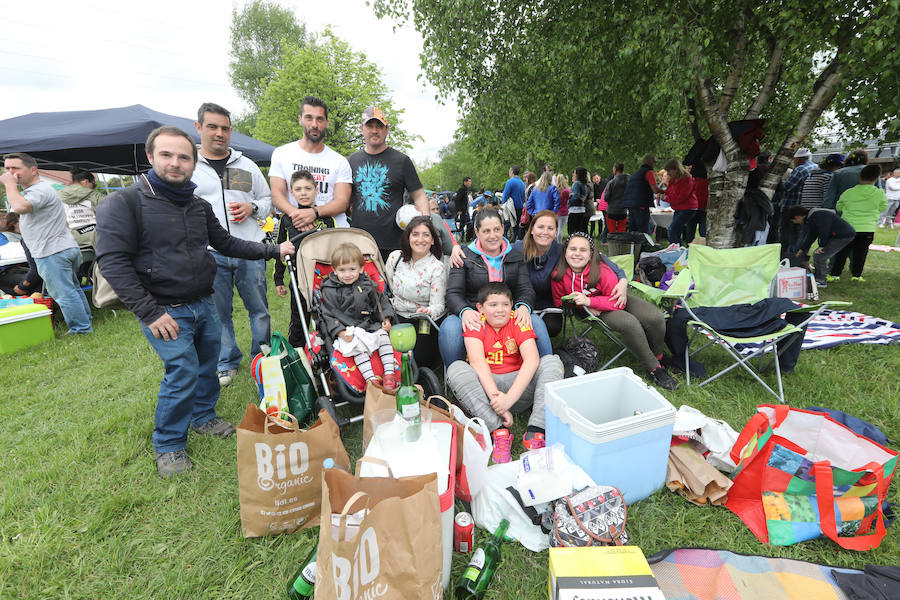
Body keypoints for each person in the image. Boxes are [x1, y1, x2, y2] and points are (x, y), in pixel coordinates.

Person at [95, 126, 294, 478]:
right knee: (183, 373)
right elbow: (113, 262)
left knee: (206, 368)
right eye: (167, 155)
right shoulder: (124, 202)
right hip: (165, 311)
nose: (176, 163)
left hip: (204, 304)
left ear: (193, 161)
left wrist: (273, 249)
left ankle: (203, 416)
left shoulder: (197, 205)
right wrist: (150, 313)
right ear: (150, 156)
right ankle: (169, 444)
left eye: (183, 157)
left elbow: (228, 243)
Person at [191, 102, 274, 388]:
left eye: (225, 128)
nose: (219, 133)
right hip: (211, 254)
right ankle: (227, 360)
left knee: (259, 309)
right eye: (212, 127)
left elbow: (268, 201)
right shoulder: (190, 167)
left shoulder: (245, 165)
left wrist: (252, 208)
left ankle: (261, 357)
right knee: (218, 313)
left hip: (249, 249)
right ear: (199, 127)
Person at [446, 282, 564, 463]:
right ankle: (498, 431)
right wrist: (498, 404)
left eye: (505, 304)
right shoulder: (475, 322)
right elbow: (477, 362)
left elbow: (532, 359)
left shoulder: (517, 320)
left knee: (550, 361)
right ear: (481, 308)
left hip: (519, 387)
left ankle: (536, 430)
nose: (500, 310)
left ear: (511, 305)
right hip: (487, 390)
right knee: (456, 369)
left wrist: (508, 400)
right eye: (493, 305)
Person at [551, 232, 677, 391]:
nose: (577, 253)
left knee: (655, 317)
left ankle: (659, 356)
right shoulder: (558, 275)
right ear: (565, 252)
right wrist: (583, 305)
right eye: (573, 249)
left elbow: (616, 301)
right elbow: (560, 301)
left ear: (591, 254)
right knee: (630, 324)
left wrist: (591, 301)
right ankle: (654, 368)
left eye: (583, 250)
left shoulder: (601, 269)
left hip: (613, 299)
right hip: (589, 311)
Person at [439, 208, 553, 364]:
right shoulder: (463, 257)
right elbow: (453, 293)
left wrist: (524, 306)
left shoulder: (515, 256)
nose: (492, 236)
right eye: (486, 231)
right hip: (475, 312)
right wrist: (464, 311)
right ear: (477, 232)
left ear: (503, 229)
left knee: (535, 322)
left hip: (506, 312)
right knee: (450, 328)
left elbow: (525, 289)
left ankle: (546, 374)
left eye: (496, 229)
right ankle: (457, 376)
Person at [349, 106, 461, 264]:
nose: (374, 131)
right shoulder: (351, 161)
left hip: (395, 244)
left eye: (379, 126)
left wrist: (425, 224)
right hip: (360, 243)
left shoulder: (401, 161)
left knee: (396, 288)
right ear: (362, 129)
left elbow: (420, 195)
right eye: (370, 126)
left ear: (387, 130)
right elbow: (344, 200)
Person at [1, 153, 93, 334]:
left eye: (16, 168)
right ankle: (84, 322)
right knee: (72, 289)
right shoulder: (37, 190)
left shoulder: (39, 190)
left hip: (52, 252)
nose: (11, 173)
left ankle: (81, 329)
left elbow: (20, 207)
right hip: (61, 248)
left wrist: (10, 185)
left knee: (64, 293)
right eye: (8, 168)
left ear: (33, 170)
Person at [319, 242, 398, 391]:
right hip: (348, 330)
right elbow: (328, 314)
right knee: (356, 347)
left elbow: (380, 302)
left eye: (352, 269)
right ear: (334, 270)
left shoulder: (367, 284)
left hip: (368, 325)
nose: (347, 274)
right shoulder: (330, 290)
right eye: (342, 270)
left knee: (383, 336)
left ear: (361, 269)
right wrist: (340, 332)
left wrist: (385, 319)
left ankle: (389, 374)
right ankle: (371, 380)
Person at [269, 95, 352, 233]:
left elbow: (342, 202)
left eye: (320, 119)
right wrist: (298, 215)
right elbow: (277, 194)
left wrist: (314, 213)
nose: (314, 124)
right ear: (300, 120)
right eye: (309, 118)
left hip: (333, 233)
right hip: (297, 230)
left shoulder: (340, 161)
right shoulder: (281, 153)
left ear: (327, 123)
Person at [274, 170, 335, 347]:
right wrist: (279, 279)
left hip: (323, 279)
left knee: (325, 319)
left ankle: (327, 354)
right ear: (291, 192)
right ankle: (298, 355)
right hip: (299, 278)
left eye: (308, 188)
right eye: (298, 189)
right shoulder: (286, 219)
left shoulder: (327, 219)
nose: (303, 193)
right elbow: (280, 252)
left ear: (316, 190)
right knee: (299, 319)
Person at [385, 215, 447, 367]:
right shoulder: (395, 258)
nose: (420, 239)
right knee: (390, 360)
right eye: (415, 234)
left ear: (432, 240)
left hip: (422, 321)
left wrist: (429, 311)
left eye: (426, 235)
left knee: (417, 364)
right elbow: (390, 287)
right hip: (396, 316)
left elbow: (438, 305)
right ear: (408, 237)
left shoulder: (437, 268)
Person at [512, 210, 565, 337]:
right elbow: (490, 248)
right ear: (531, 230)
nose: (545, 232)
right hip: (518, 302)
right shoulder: (516, 249)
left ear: (556, 231)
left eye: (550, 228)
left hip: (547, 304)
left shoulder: (562, 251)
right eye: (540, 227)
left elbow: (598, 258)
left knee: (552, 327)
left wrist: (621, 278)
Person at [830, 165, 887, 282]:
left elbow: (838, 206)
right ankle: (856, 276)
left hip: (847, 228)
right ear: (876, 179)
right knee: (861, 253)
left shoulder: (848, 192)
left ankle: (835, 275)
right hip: (868, 229)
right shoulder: (880, 193)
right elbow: (883, 208)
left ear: (859, 178)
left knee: (842, 253)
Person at [786, 205, 854, 288]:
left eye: (794, 220)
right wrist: (802, 249)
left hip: (842, 235)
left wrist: (822, 245)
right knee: (819, 255)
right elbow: (811, 235)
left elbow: (824, 230)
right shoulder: (811, 218)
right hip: (837, 235)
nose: (795, 222)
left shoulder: (818, 216)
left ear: (798, 216)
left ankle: (821, 281)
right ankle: (817, 277)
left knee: (820, 255)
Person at [58, 169, 103, 250]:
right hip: (98, 241)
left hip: (71, 243)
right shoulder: (96, 196)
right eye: (93, 184)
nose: (93, 187)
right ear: (85, 182)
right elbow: (107, 217)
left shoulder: (58, 196)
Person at [622, 154, 664, 234]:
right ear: (650, 162)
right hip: (641, 204)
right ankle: (643, 245)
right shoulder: (649, 172)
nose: (654, 165)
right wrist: (666, 191)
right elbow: (655, 189)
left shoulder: (636, 173)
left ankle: (633, 245)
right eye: (654, 162)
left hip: (631, 205)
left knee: (633, 229)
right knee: (643, 229)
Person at [662, 159, 697, 245]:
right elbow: (669, 192)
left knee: (672, 230)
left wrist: (667, 198)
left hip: (688, 208)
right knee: (676, 230)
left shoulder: (687, 179)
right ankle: (677, 249)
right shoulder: (673, 180)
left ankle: (675, 250)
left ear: (676, 169)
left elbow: (682, 196)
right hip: (679, 208)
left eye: (669, 171)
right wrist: (663, 194)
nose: (668, 173)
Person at [603, 163, 629, 235]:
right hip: (623, 209)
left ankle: (613, 245)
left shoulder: (611, 182)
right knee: (622, 231)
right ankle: (621, 245)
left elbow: (606, 198)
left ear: (615, 169)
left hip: (612, 210)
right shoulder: (629, 181)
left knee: (612, 232)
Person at [501, 165, 526, 240]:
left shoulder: (510, 182)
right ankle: (517, 242)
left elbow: (505, 196)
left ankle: (503, 241)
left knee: (506, 225)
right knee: (517, 227)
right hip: (520, 207)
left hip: (511, 208)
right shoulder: (522, 183)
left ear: (511, 171)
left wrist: (502, 205)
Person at [567, 167, 590, 234]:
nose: (573, 175)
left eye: (574, 173)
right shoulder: (584, 184)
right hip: (582, 210)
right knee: (579, 231)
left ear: (577, 175)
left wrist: (569, 199)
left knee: (571, 232)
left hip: (574, 210)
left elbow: (576, 197)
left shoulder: (576, 184)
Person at [454, 176, 473, 241]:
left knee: (468, 224)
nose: (470, 183)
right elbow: (457, 199)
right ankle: (462, 238)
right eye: (469, 181)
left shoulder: (465, 189)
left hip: (465, 210)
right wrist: (459, 210)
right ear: (465, 182)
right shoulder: (461, 189)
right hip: (462, 211)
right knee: (464, 225)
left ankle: (466, 238)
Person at [591, 172, 608, 240]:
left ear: (599, 177)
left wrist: (602, 200)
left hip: (605, 203)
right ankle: (592, 232)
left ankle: (600, 233)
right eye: (595, 179)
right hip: (597, 204)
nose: (596, 180)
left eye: (597, 178)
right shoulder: (594, 186)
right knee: (594, 218)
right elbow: (593, 195)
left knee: (601, 219)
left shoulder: (605, 182)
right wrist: (596, 200)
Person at [555, 173, 569, 242]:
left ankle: (555, 243)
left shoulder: (555, 190)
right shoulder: (566, 191)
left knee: (556, 229)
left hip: (556, 211)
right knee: (561, 229)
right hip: (564, 211)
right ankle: (559, 243)